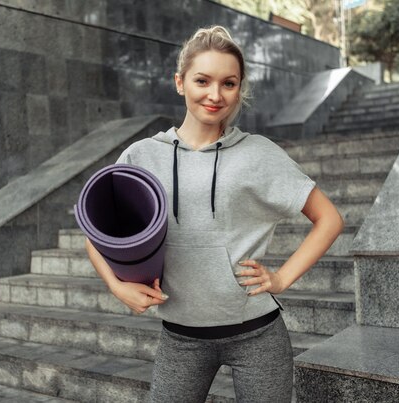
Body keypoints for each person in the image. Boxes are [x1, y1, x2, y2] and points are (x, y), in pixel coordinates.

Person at [85, 25, 345, 402]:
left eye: (229, 83)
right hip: (181, 336)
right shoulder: (142, 156)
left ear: (240, 88)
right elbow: (97, 233)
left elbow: (330, 218)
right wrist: (116, 286)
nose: (214, 94)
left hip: (257, 333)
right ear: (180, 82)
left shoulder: (258, 154)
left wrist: (282, 278)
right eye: (202, 80)